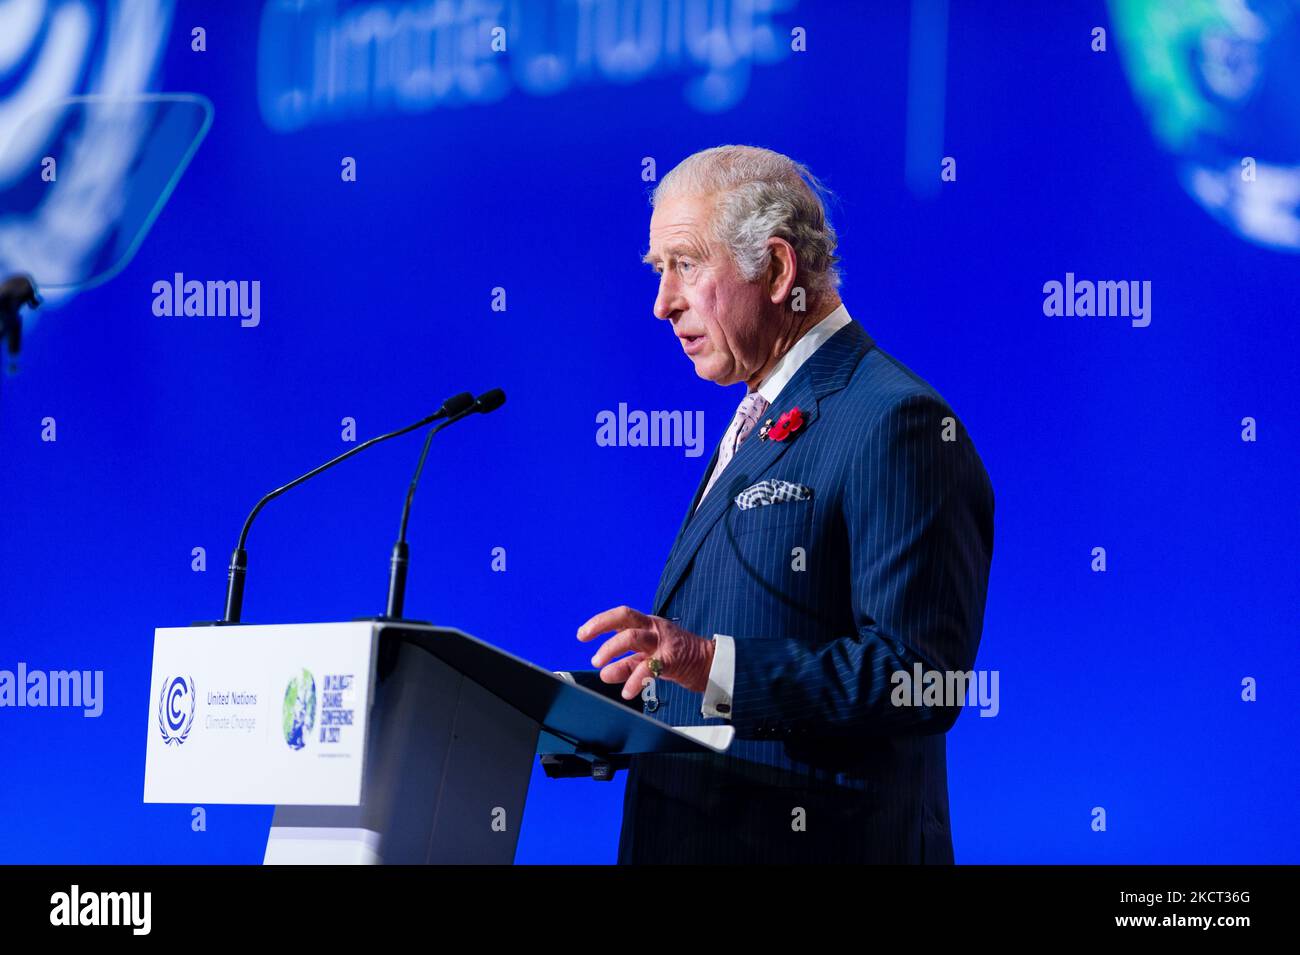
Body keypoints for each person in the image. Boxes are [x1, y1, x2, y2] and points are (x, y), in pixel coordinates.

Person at [578, 145, 994, 863]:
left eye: (684, 264)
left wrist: (707, 661)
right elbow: (747, 650)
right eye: (658, 271)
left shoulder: (896, 421)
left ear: (776, 270)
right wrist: (626, 710)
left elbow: (922, 678)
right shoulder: (760, 414)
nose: (662, 303)